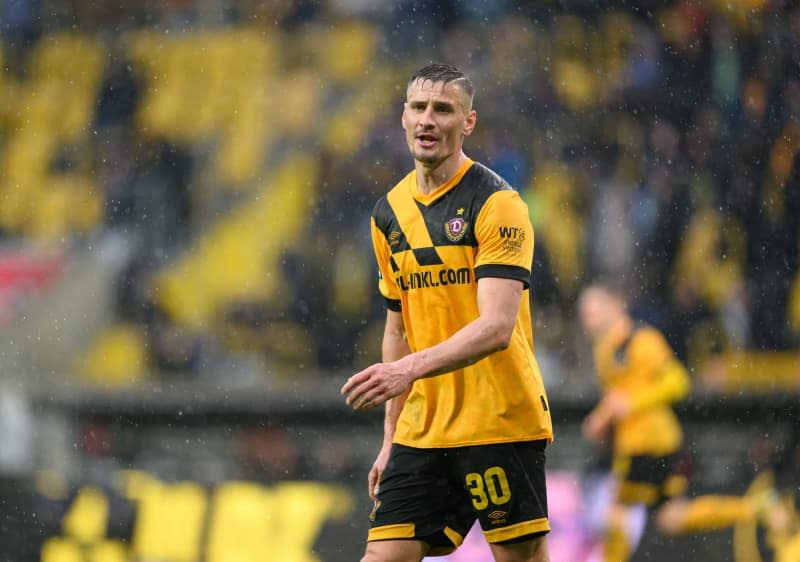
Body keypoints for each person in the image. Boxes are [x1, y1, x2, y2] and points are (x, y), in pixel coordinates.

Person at [340, 63, 553, 562]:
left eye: (443, 109)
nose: (428, 120)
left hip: (498, 419)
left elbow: (497, 328)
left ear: (469, 122)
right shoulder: (387, 213)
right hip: (423, 428)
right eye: (418, 108)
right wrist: (391, 436)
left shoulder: (499, 204)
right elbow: (399, 328)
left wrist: (407, 370)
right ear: (403, 117)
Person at [578, 281, 788, 562]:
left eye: (594, 310)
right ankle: (755, 507)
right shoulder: (605, 350)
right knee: (672, 517)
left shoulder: (641, 340)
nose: (588, 319)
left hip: (649, 444)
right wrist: (601, 418)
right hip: (647, 444)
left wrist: (632, 405)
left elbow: (677, 381)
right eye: (584, 313)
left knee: (616, 515)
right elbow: (620, 396)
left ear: (616, 305)